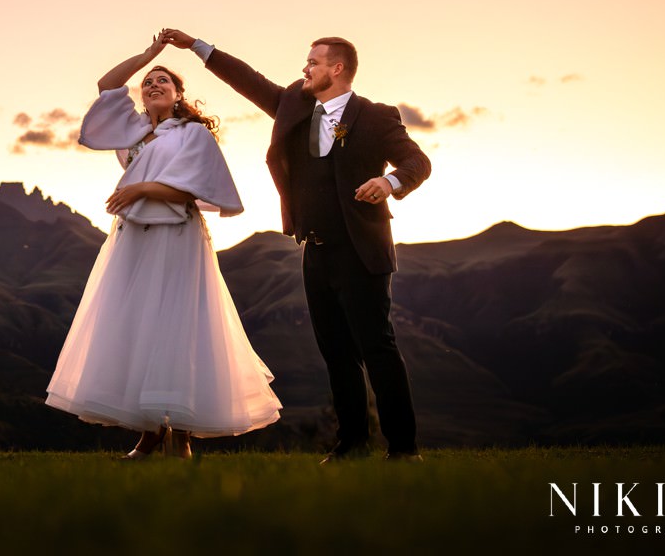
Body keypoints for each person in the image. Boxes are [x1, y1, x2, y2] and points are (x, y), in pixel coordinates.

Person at [160, 29, 430, 462]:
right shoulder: (294, 105)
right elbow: (248, 80)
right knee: (336, 353)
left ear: (337, 69)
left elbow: (418, 162)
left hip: (361, 251)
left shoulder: (378, 117)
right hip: (315, 250)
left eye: (314, 62)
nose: (305, 68)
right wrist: (197, 46)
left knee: (377, 348)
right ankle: (353, 444)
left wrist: (389, 181)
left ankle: (403, 449)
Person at [45, 34, 282, 459]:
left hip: (177, 236)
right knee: (138, 326)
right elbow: (106, 86)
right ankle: (149, 432)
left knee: (178, 327)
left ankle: (182, 433)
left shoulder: (192, 134)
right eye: (148, 83)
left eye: (163, 82)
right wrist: (149, 56)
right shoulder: (133, 132)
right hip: (134, 237)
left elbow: (191, 191)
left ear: (178, 96)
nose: (153, 85)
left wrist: (139, 189)